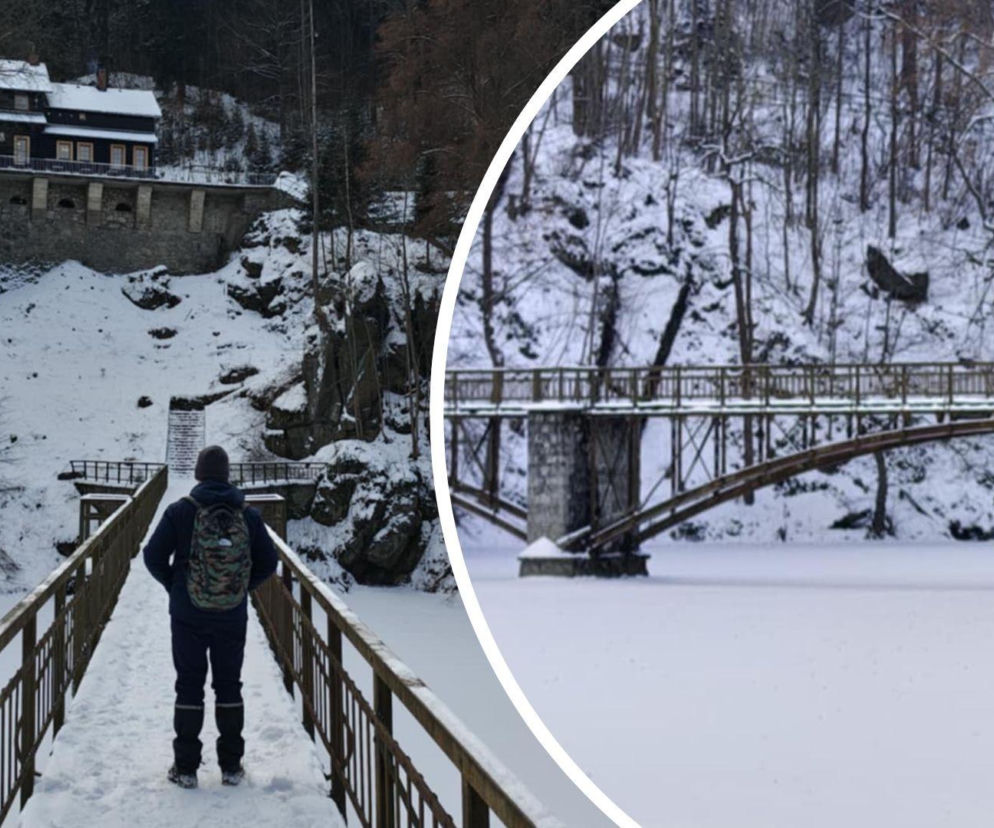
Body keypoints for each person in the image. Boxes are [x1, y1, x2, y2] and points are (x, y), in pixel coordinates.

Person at [143, 445, 278, 789]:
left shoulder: (180, 511)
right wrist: (241, 587)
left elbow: (152, 555)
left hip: (187, 615)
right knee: (229, 685)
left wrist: (176, 587)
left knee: (189, 685)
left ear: (199, 474)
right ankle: (231, 766)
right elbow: (268, 561)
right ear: (227, 475)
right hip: (231, 615)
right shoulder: (248, 515)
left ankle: (186, 768)